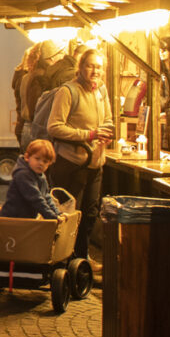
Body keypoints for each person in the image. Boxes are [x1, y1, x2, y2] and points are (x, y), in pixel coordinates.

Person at [45, 48, 114, 261]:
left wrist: (106, 133)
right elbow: (54, 127)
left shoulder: (101, 91)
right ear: (81, 67)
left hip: (95, 163)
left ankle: (82, 260)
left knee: (90, 215)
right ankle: (63, 260)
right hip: (71, 164)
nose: (95, 70)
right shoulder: (67, 91)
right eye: (90, 65)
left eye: (99, 67)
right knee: (70, 216)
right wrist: (89, 134)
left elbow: (109, 121)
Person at [0, 139, 63, 220]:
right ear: (27, 157)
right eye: (37, 159)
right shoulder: (23, 174)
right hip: (12, 218)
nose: (41, 163)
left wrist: (57, 213)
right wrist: (52, 216)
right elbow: (36, 198)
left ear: (49, 164)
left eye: (45, 161)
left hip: (26, 219)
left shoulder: (40, 175)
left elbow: (46, 197)